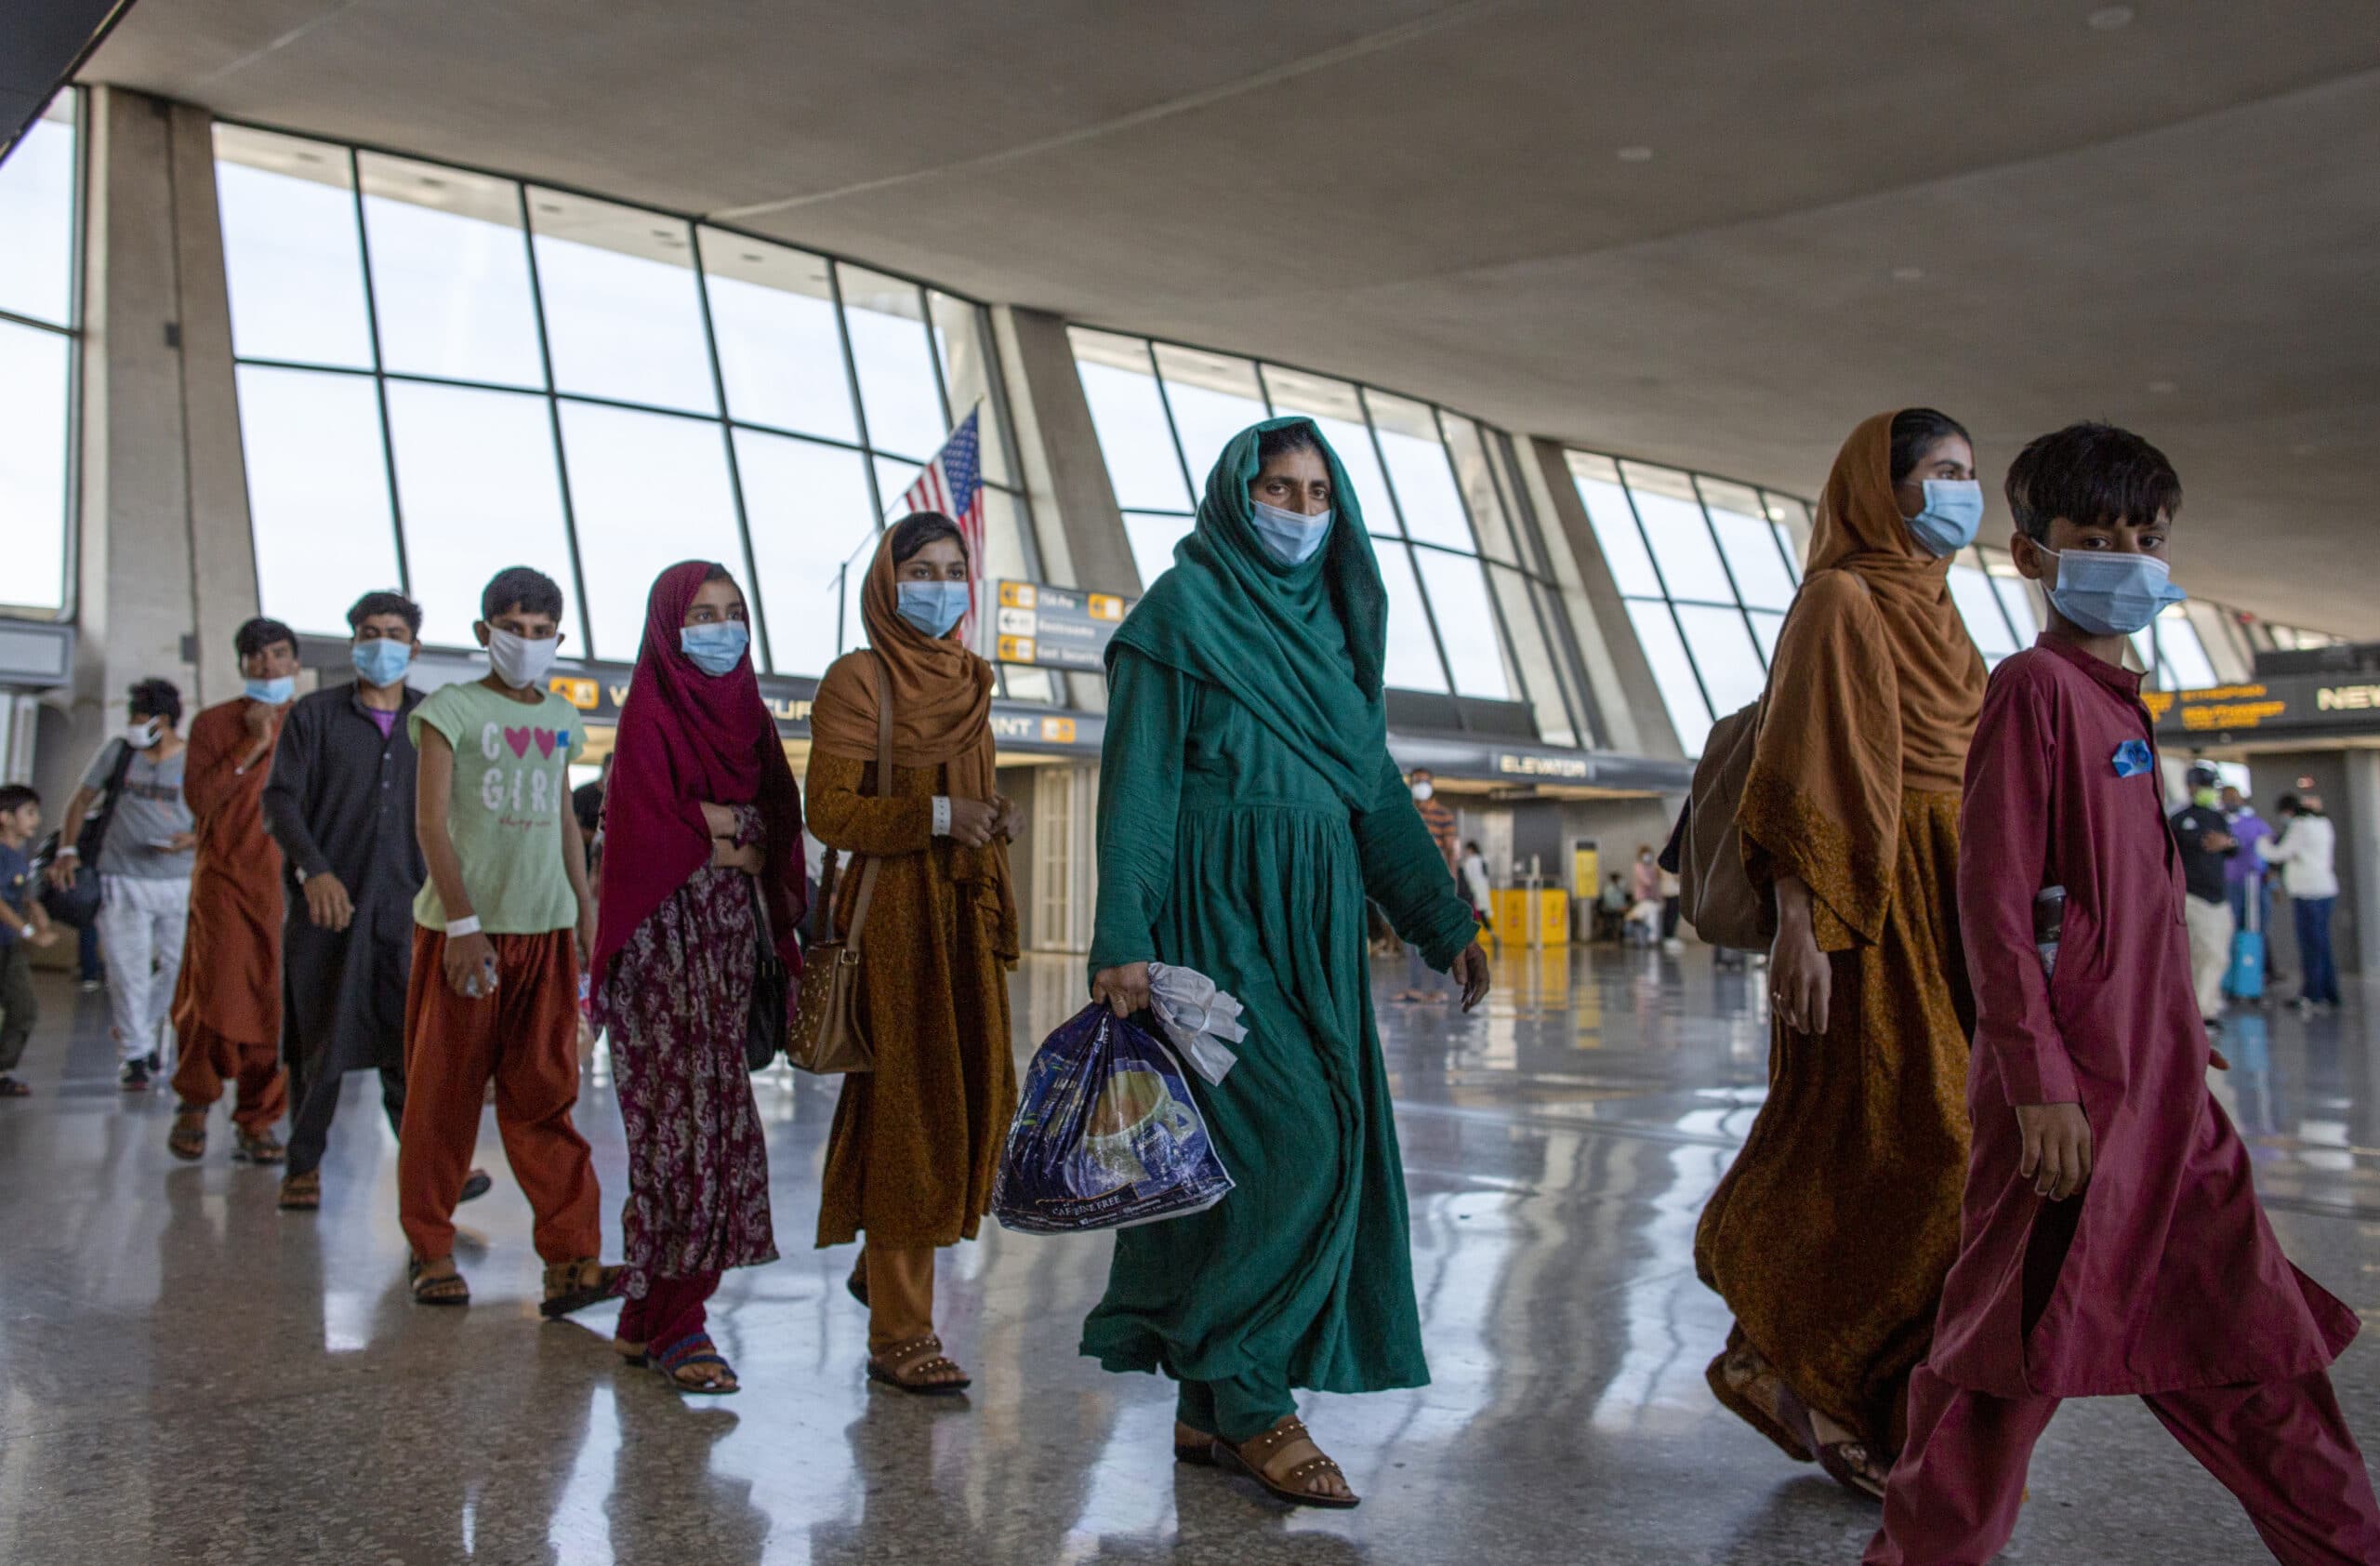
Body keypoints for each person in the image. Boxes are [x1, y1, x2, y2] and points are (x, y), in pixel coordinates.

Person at [1869, 421, 2378, 1564]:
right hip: (2076, 1107)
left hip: (2166, 1101)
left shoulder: (2120, 707)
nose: (2129, 559)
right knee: (1998, 1371)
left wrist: (2179, 1040)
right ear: (2030, 554)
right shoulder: (2035, 689)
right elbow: (1996, 903)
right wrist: (2039, 1081)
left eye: (2146, 538)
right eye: (2095, 538)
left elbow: (2125, 914)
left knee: (2254, 1349)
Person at [1085, 418, 1490, 1508]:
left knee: (1258, 1155)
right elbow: (1138, 790)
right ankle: (1258, 1398)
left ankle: (1210, 1400)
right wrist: (1122, 936)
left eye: (1318, 494)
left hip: (1313, 930)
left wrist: (1445, 922)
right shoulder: (1180, 615)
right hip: (1214, 925)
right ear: (1234, 494)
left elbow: (1373, 795)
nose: (1300, 511)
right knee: (1298, 1144)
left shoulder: (1331, 637)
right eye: (1278, 488)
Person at [1695, 408, 1988, 1499]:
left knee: (1936, 1154)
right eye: (1941, 471)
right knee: (1920, 1144)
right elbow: (1800, 763)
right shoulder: (1838, 598)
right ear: (1881, 485)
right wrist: (1801, 922)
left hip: (1952, 903)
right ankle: (1796, 1358)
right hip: (1867, 906)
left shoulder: (1944, 612)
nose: (1962, 492)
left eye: (1969, 473)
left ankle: (1837, 1382)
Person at [806, 512, 1022, 1395]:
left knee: (972, 1100)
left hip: (963, 914)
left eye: (952, 569)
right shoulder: (858, 680)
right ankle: (901, 1332)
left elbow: (974, 792)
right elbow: (830, 811)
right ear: (886, 584)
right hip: (895, 922)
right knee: (911, 1114)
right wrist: (938, 816)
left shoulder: (971, 680)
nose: (939, 586)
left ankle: (883, 1262)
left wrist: (992, 817)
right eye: (920, 570)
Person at [591, 562, 806, 1394]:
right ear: (668, 629)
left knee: (715, 1132)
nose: (723, 630)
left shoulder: (748, 717)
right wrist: (721, 836)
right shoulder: (650, 713)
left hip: (725, 955)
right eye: (703, 616)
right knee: (675, 1142)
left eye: (734, 612)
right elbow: (639, 834)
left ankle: (645, 1315)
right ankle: (682, 1325)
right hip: (659, 960)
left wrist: (717, 829)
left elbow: (775, 823)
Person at [399, 566, 611, 1313]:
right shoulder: (448, 710)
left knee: (545, 1095)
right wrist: (462, 924)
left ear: (558, 637)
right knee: (444, 1096)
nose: (526, 642)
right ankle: (430, 1246)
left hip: (544, 931)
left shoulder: (561, 717)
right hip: (464, 933)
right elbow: (430, 823)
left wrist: (584, 912)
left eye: (540, 631)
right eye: (512, 629)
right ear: (483, 632)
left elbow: (562, 822)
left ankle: (572, 1255)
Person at [264, 591, 490, 1212]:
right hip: (329, 908)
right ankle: (303, 1167)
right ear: (354, 643)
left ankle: (434, 1171)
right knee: (321, 1042)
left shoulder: (434, 719)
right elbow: (280, 800)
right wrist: (314, 871)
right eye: (369, 633)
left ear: (414, 649)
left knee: (409, 1045)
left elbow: (461, 813)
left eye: (394, 633)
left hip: (410, 907)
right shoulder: (314, 716)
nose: (381, 644)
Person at [165, 617, 299, 1165]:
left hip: (288, 888)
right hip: (224, 882)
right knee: (214, 993)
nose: (268, 666)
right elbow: (200, 801)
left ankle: (258, 1119)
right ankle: (195, 1102)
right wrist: (252, 743)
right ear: (242, 664)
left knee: (277, 1004)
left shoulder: (309, 723)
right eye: (256, 657)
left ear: (295, 663)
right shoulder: (214, 723)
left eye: (278, 655)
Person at [48, 679, 196, 1090]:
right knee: (127, 970)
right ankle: (135, 1054)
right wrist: (66, 850)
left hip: (178, 879)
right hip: (121, 876)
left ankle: (140, 1027)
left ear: (162, 721)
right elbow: (81, 800)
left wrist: (192, 840)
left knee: (178, 967)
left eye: (140, 717)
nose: (133, 724)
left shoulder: (193, 759)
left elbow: (216, 816)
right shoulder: (120, 753)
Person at [0, 786, 60, 1096]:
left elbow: (17, 890)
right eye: (29, 813)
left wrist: (34, 908)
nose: (36, 820)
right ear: (5, 818)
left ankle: (2, 1070)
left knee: (23, 1008)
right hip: (10, 939)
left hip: (8, 945)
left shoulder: (17, 852)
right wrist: (28, 932)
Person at [2169, 762, 2238, 1029]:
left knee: (2218, 956)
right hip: (2192, 897)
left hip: (2217, 898)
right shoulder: (2180, 819)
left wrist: (2228, 842)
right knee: (2201, 954)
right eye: (2204, 785)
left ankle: (2207, 1007)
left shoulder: (2217, 817)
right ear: (2191, 787)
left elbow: (2231, 845)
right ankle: (2198, 1014)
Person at [2261, 792, 2340, 1013]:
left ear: (2288, 811)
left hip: (2308, 893)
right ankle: (2329, 993)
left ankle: (2312, 994)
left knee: (2311, 946)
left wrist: (2261, 843)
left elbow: (2279, 853)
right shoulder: (2324, 823)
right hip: (2325, 889)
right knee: (2322, 945)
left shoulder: (2299, 826)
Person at [1394, 769, 1459, 1002]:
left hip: (1435, 883)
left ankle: (1439, 989)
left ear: (1432, 783)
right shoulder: (1406, 812)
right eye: (1416, 781)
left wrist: (1451, 883)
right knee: (1412, 938)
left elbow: (1451, 851)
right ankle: (1415, 988)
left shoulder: (1443, 815)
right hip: (1410, 883)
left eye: (1424, 781)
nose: (1420, 785)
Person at [2222, 783, 2276, 989]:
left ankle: (2256, 975)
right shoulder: (2219, 823)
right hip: (2229, 883)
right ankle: (2232, 977)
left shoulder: (2255, 824)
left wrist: (2273, 882)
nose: (2232, 802)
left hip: (2255, 884)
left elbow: (2270, 850)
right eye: (2228, 798)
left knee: (2256, 929)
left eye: (2235, 798)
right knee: (2230, 929)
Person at [1458, 839, 1494, 936]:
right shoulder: (1483, 859)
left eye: (1467, 850)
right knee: (1481, 911)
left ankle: (1478, 935)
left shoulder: (1470, 861)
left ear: (1471, 849)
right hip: (1484, 888)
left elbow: (1467, 876)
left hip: (1474, 889)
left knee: (1475, 911)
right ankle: (1490, 933)